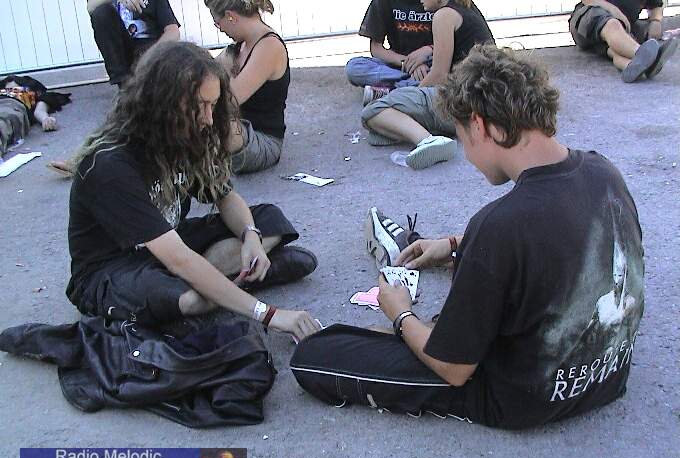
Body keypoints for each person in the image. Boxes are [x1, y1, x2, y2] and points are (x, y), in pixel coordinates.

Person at [291, 45, 645, 430]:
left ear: (478, 125)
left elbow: (454, 369)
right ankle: (436, 321)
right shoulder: (603, 171)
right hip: (607, 375)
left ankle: (417, 328)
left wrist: (400, 313)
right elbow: (559, 229)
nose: (469, 157)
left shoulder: (498, 226)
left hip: (525, 398)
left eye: (461, 136)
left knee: (315, 355)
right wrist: (457, 245)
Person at [67, 41, 320, 342]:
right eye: (201, 105)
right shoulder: (110, 164)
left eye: (213, 105)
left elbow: (225, 196)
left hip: (170, 243)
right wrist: (268, 314)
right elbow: (178, 259)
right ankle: (223, 284)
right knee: (189, 299)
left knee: (268, 219)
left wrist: (250, 236)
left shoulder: (184, 135)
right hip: (115, 267)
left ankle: (218, 284)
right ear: (165, 102)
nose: (209, 118)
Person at [360, 0, 495, 169]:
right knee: (380, 126)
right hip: (485, 103)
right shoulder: (462, 8)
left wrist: (411, 95)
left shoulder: (443, 16)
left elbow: (439, 75)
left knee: (372, 111)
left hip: (464, 103)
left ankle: (428, 140)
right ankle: (410, 126)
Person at [207, 0, 290, 174]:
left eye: (217, 23)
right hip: (239, 129)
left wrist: (224, 72)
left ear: (230, 16)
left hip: (262, 141)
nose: (220, 29)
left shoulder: (269, 46)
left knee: (220, 122)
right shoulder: (240, 46)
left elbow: (229, 102)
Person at [345, 0, 435, 105]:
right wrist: (410, 63)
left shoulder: (437, 2)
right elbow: (376, 49)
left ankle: (391, 91)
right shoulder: (381, 2)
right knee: (354, 67)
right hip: (397, 65)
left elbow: (451, 44)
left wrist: (428, 49)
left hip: (432, 63)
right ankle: (412, 88)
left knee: (446, 72)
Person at [569, 0, 678, 82]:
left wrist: (655, 21)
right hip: (591, 15)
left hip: (621, 30)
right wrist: (613, 10)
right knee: (613, 24)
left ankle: (632, 66)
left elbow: (656, 5)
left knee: (615, 49)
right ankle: (642, 54)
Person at [87, 0, 181, 86]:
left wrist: (153, 53)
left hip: (148, 47)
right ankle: (124, 86)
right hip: (122, 50)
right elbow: (90, 7)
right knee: (100, 13)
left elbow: (173, 31)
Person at [0, 75, 71, 155]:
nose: (9, 91)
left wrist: (45, 119)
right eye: (6, 89)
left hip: (10, 107)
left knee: (3, 122)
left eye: (15, 89)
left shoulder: (31, 95)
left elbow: (39, 111)